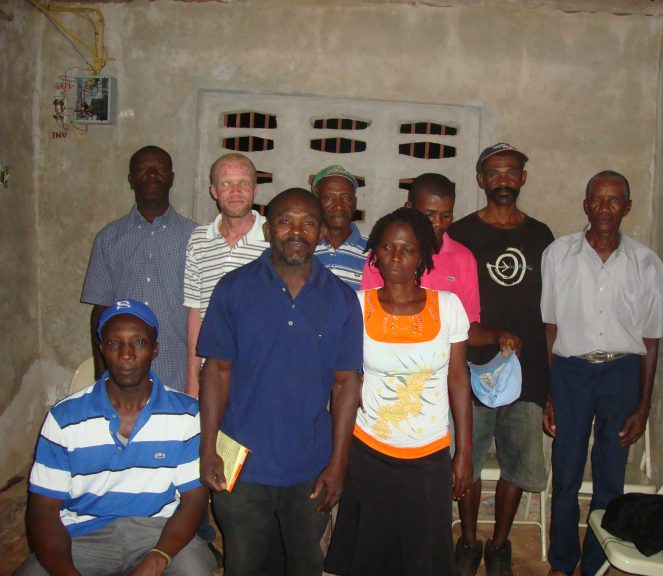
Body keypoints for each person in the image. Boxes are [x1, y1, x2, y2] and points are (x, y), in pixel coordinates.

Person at [196, 188, 363, 575]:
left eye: (308, 223)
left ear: (321, 232)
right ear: (268, 230)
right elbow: (216, 372)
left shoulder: (340, 299)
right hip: (242, 464)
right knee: (245, 565)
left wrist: (339, 462)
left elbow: (346, 385)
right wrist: (208, 448)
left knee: (304, 565)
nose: (297, 232)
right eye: (286, 221)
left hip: (310, 466)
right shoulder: (234, 288)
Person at [540, 171, 663, 576]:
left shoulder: (646, 263)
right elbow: (550, 328)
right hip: (571, 373)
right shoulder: (558, 255)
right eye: (597, 199)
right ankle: (563, 561)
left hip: (621, 374)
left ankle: (596, 565)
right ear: (586, 205)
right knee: (566, 472)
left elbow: (651, 338)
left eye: (613, 199)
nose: (604, 207)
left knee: (610, 476)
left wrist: (644, 403)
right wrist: (549, 393)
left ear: (627, 207)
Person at [17, 300, 215, 576]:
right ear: (101, 349)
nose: (126, 354)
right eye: (113, 343)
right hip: (83, 536)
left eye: (139, 342)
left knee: (194, 570)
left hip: (157, 531)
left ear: (155, 349)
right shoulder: (64, 418)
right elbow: (44, 510)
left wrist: (157, 558)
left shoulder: (186, 414)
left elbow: (194, 499)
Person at [325, 207, 472, 576]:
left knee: (425, 557)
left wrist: (464, 452)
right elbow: (343, 380)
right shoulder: (357, 306)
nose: (396, 257)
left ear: (421, 256)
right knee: (371, 554)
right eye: (388, 247)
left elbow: (458, 381)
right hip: (369, 451)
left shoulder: (448, 307)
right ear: (375, 251)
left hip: (429, 454)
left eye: (407, 250)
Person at [450, 143, 555, 576]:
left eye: (511, 171)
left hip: (526, 375)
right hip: (472, 371)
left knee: (517, 464)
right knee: (468, 463)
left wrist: (549, 385)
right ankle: (468, 540)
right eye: (494, 172)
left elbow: (550, 313)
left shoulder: (541, 236)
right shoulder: (460, 233)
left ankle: (499, 545)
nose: (503, 180)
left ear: (523, 178)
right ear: (481, 179)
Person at [360, 172, 520, 354]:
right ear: (410, 208)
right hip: (389, 358)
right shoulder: (385, 257)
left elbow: (466, 328)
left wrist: (497, 336)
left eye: (445, 215)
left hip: (443, 366)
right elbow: (368, 318)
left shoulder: (463, 259)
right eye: (429, 214)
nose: (437, 223)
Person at [81, 145, 196, 392]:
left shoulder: (195, 238)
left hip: (178, 374)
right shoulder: (109, 238)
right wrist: (101, 376)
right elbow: (100, 309)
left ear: (171, 178)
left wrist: (198, 377)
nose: (152, 175)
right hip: (121, 375)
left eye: (160, 170)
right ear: (131, 180)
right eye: (143, 170)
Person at [184, 152, 269, 397]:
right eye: (226, 183)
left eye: (243, 183)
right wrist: (192, 378)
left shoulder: (274, 239)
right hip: (211, 373)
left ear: (255, 190)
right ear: (214, 191)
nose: (235, 191)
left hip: (258, 375)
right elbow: (195, 312)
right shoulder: (199, 239)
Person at [312, 165, 368, 289]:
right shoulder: (303, 247)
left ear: (355, 202)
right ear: (315, 202)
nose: (338, 205)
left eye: (346, 197)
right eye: (329, 197)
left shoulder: (373, 252)